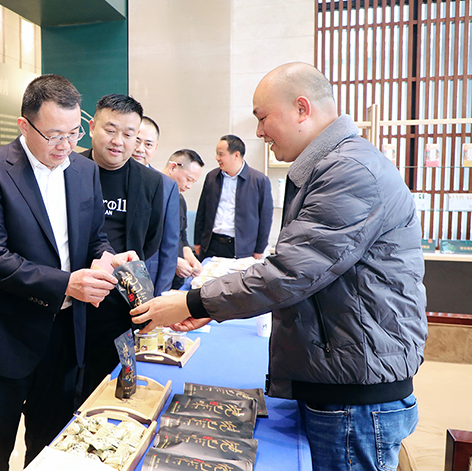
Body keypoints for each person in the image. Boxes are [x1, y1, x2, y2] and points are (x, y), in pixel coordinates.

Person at [130, 62, 427, 471]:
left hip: (354, 392)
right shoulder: (330, 165)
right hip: (341, 373)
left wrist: (193, 303)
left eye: (262, 117)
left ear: (302, 109)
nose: (258, 132)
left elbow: (291, 272)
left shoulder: (349, 170)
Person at [0, 74, 136, 471]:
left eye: (74, 134)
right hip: (7, 335)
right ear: (24, 126)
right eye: (54, 135)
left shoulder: (84, 171)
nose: (66, 145)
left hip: (66, 335)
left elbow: (94, 238)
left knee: (52, 443)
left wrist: (107, 258)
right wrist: (67, 284)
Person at [80, 94, 164, 400]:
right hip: (71, 298)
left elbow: (151, 240)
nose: (119, 141)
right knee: (63, 390)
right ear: (92, 127)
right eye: (110, 130)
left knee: (107, 387)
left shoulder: (151, 182)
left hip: (117, 306)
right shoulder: (69, 169)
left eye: (129, 134)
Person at [193, 134, 273, 260]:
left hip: (241, 248)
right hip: (211, 244)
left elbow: (265, 219)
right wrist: (197, 241)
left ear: (236, 155)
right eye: (217, 154)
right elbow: (202, 211)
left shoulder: (259, 180)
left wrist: (259, 249)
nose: (217, 158)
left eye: (221, 154)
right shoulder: (212, 177)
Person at [137, 117, 180, 297]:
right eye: (136, 141)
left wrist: (161, 293)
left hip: (149, 278)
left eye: (148, 144)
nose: (140, 149)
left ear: (155, 148)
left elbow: (170, 245)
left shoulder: (167, 186)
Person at [161, 149, 205, 289]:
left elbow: (182, 235)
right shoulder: (151, 194)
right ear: (173, 167)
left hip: (176, 277)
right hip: (157, 274)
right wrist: (172, 262)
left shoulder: (179, 198)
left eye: (193, 182)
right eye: (188, 179)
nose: (189, 186)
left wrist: (190, 257)